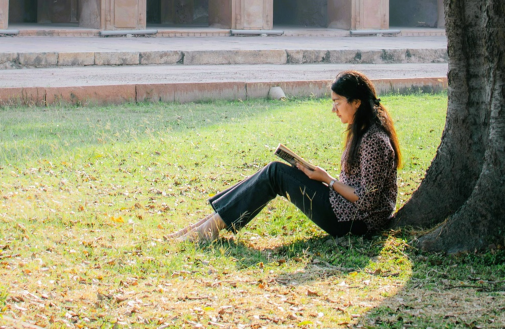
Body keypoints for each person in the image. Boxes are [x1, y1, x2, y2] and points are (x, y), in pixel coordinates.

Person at [166, 70, 402, 242]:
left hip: (355, 221)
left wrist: (327, 179)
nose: (334, 109)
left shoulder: (374, 141)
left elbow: (367, 200)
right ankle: (205, 225)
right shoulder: (360, 132)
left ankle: (208, 229)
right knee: (273, 172)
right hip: (344, 209)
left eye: (337, 102)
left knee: (274, 173)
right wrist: (320, 176)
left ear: (357, 102)